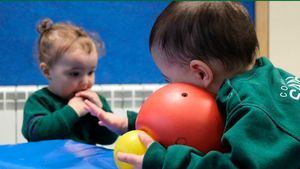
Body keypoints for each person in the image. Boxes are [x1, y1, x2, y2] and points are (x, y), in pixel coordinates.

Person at [85, 2, 300, 169]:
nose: (170, 88)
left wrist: (165, 161)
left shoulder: (253, 110)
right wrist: (132, 123)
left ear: (200, 72)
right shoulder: (258, 80)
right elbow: (208, 126)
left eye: (169, 80)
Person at [22, 18, 118, 145]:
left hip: (83, 164)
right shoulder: (39, 101)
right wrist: (72, 111)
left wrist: (101, 113)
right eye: (75, 74)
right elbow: (36, 134)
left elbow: (109, 139)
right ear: (47, 71)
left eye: (91, 72)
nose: (85, 82)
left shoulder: (93, 102)